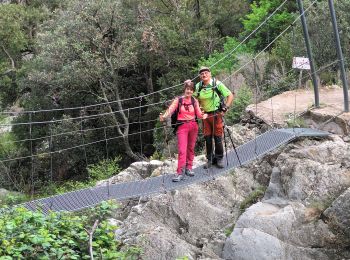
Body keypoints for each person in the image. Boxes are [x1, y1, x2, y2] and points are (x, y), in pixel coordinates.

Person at [160, 80, 207, 182]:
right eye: (187, 89)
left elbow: (198, 114)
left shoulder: (194, 101)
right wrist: (164, 116)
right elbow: (171, 109)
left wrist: (203, 115)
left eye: (190, 89)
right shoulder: (178, 100)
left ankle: (189, 168)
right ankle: (179, 172)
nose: (188, 91)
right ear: (184, 90)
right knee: (182, 150)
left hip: (193, 126)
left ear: (193, 91)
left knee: (190, 148)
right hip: (182, 127)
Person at [194, 66, 234, 168]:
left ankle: (219, 159)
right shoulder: (198, 86)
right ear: (200, 76)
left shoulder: (217, 84)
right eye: (202, 74)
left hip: (216, 114)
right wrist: (199, 109)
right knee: (207, 138)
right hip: (205, 115)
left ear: (210, 74)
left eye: (206, 73)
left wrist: (226, 107)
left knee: (217, 137)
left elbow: (230, 95)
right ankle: (210, 159)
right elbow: (195, 99)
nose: (204, 75)